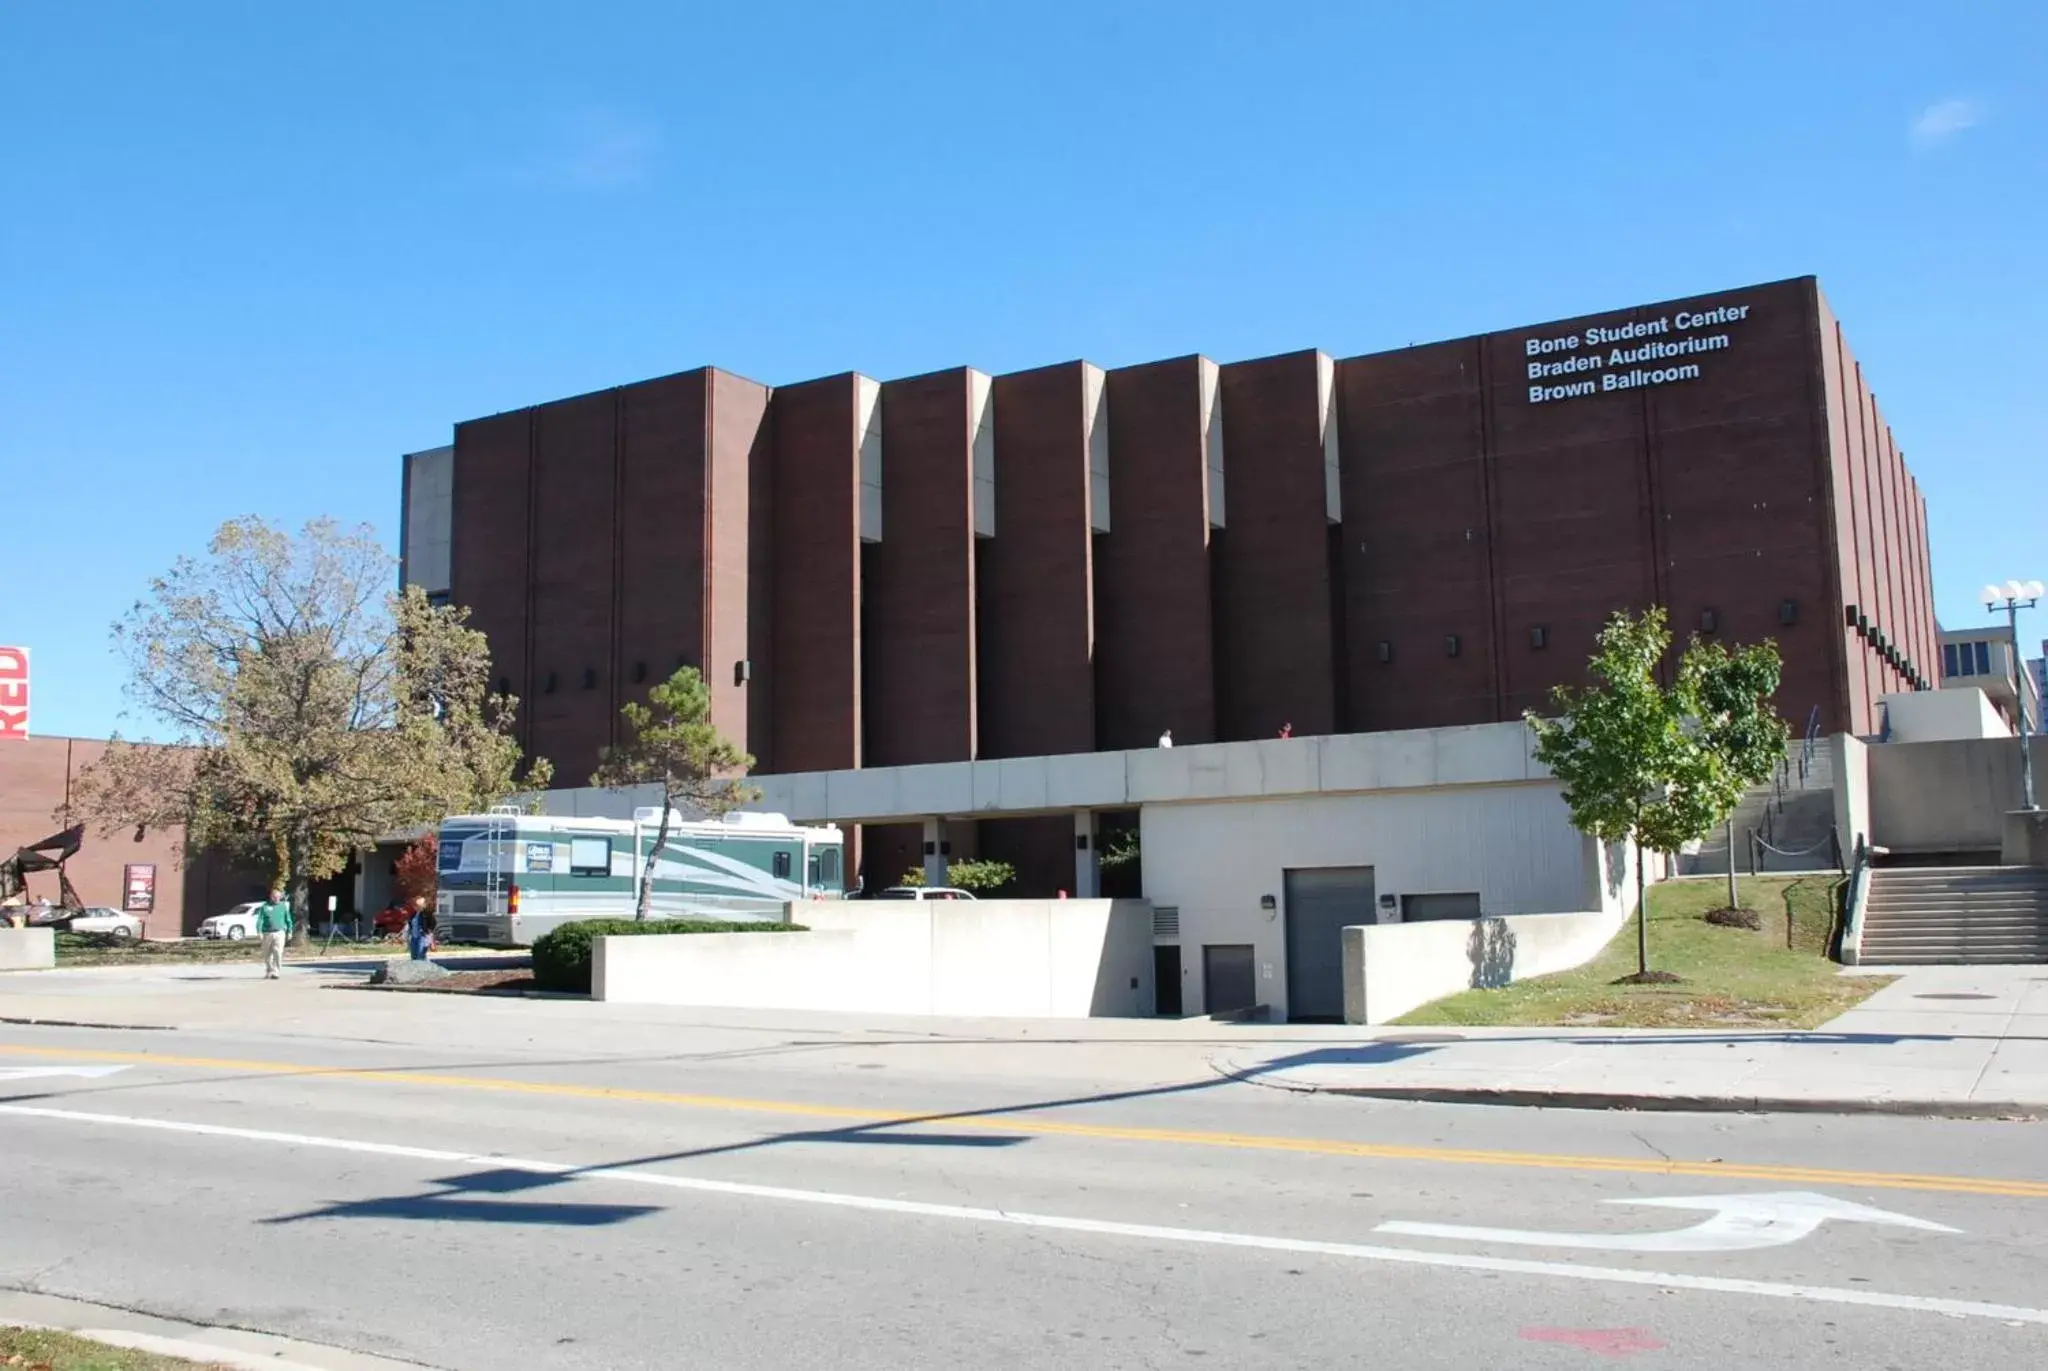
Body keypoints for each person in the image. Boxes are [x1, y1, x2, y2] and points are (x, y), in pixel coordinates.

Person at [253, 887, 294, 979]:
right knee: (267, 954)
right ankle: (269, 969)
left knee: (278, 952)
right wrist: (259, 931)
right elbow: (260, 919)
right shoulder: (265, 906)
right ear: (271, 897)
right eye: (275, 897)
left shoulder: (283, 906)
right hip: (267, 933)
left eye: (278, 897)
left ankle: (276, 971)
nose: (277, 899)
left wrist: (290, 931)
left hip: (279, 932)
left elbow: (288, 920)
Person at [406, 895, 437, 961]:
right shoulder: (413, 914)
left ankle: (425, 969)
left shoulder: (427, 914)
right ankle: (418, 969)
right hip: (414, 938)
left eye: (418, 905)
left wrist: (428, 934)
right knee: (414, 957)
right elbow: (410, 925)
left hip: (423, 937)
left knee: (420, 956)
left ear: (422, 905)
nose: (416, 907)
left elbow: (433, 924)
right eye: (415, 905)